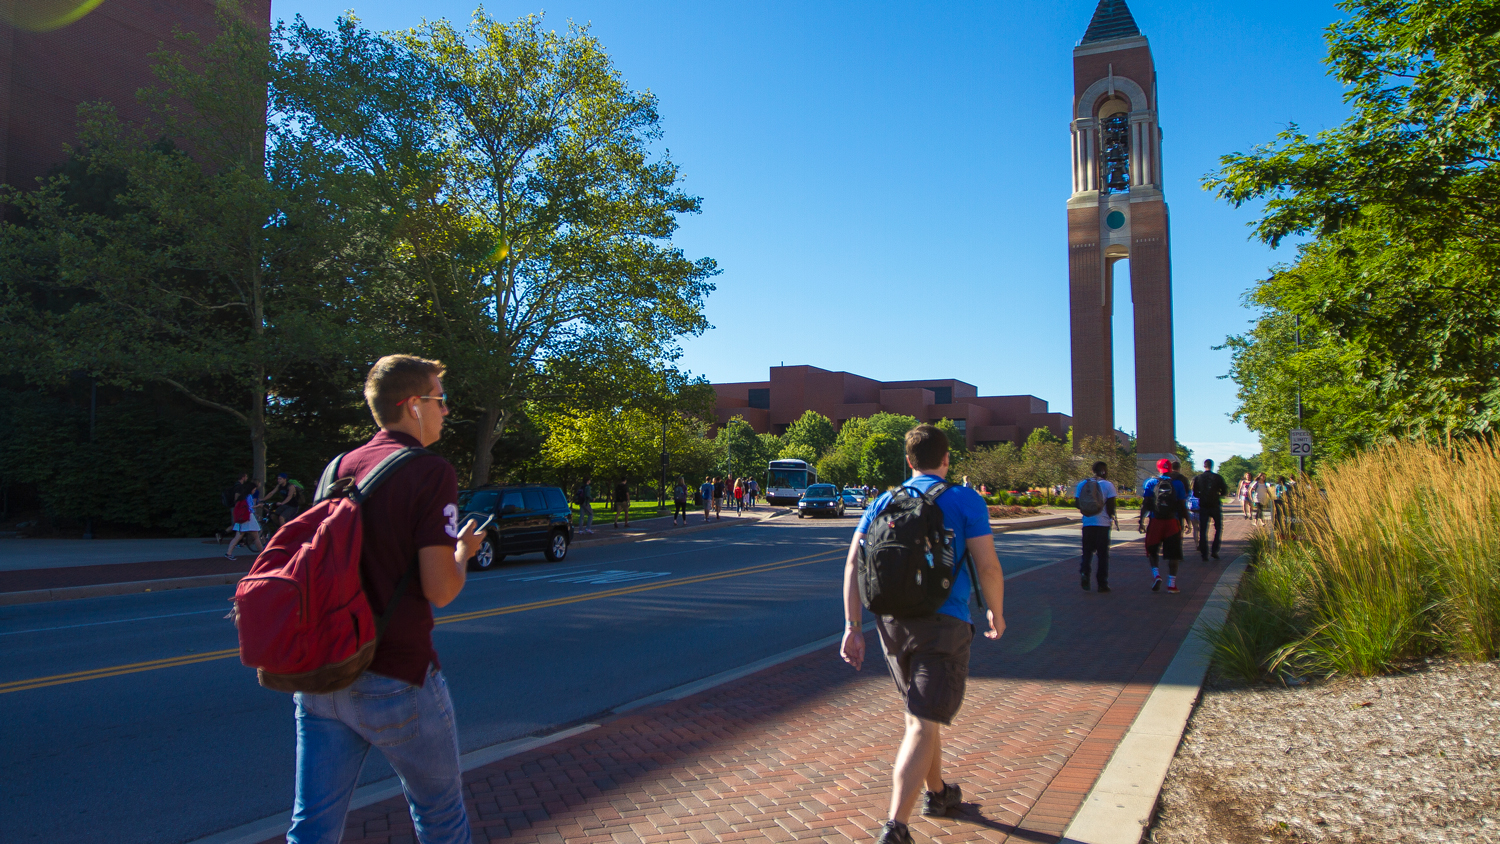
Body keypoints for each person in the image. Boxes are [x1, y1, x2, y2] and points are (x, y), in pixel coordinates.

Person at [286, 353, 484, 844]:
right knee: (440, 815)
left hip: (323, 674)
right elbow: (440, 589)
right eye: (441, 401)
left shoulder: (339, 467)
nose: (446, 411)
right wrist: (463, 552)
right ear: (413, 405)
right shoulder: (430, 471)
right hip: (397, 673)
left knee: (311, 826)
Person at [840, 425, 1007, 844]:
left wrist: (851, 627)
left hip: (891, 624)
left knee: (921, 715)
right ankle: (895, 827)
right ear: (946, 460)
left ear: (909, 462)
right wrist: (996, 612)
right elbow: (987, 566)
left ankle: (939, 793)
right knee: (920, 720)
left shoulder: (882, 500)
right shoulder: (964, 499)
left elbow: (852, 566)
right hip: (944, 623)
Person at [1138, 457, 1190, 593]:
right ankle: (1171, 584)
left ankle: (1156, 574)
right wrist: (1187, 521)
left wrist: (1141, 520)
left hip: (1155, 521)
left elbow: (1146, 503)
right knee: (1174, 555)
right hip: (1172, 522)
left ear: (1158, 469)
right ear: (1170, 469)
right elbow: (1182, 505)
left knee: (1152, 550)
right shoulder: (1178, 484)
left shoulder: (1150, 482)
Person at [1074, 460, 1118, 592]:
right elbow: (1111, 505)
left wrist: (1088, 510)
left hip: (1088, 523)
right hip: (1103, 524)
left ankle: (1084, 573)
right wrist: (1111, 516)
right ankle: (1102, 583)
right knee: (1102, 555)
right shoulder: (1108, 485)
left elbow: (1077, 503)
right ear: (1104, 471)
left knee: (1087, 551)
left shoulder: (1082, 484)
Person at [1191, 459, 1228, 561]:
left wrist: (1202, 495)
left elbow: (1195, 493)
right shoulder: (1217, 478)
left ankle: (1204, 553)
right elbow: (1224, 491)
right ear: (1212, 465)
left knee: (1203, 530)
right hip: (1215, 505)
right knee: (1218, 528)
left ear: (1204, 466)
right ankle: (1214, 550)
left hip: (1203, 505)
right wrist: (1217, 495)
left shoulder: (1198, 478)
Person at [226, 480, 263, 560]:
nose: (254, 491)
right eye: (254, 489)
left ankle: (229, 553)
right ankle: (262, 553)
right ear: (251, 489)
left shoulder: (242, 496)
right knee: (256, 536)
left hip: (241, 518)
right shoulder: (249, 496)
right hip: (248, 518)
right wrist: (258, 506)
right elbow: (250, 507)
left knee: (237, 537)